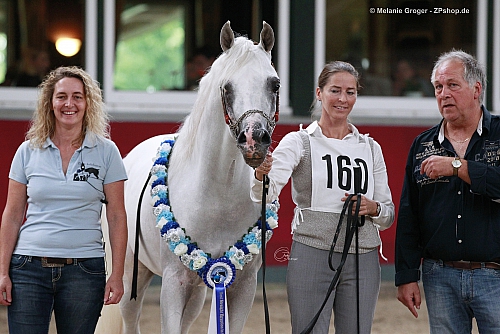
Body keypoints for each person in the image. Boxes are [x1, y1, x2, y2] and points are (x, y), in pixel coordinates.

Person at [252, 61, 395, 333]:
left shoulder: (370, 147)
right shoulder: (298, 142)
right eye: (335, 90)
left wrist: (373, 207)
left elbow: (387, 214)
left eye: (350, 92)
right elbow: (265, 192)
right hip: (311, 253)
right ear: (319, 93)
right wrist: (261, 173)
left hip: (362, 257)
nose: (343, 99)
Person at [0, 66, 128, 333]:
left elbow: (116, 216)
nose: (69, 104)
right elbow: (12, 215)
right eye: (61, 96)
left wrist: (117, 274)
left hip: (84, 270)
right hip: (27, 268)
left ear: (88, 103)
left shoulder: (107, 152)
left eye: (77, 97)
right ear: (50, 102)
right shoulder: (27, 151)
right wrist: (3, 271)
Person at [395, 50, 500, 333]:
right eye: (439, 87)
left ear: (476, 89)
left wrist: (458, 166)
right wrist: (406, 276)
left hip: (496, 275)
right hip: (439, 275)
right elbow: (409, 214)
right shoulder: (422, 145)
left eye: (453, 85)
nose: (444, 94)